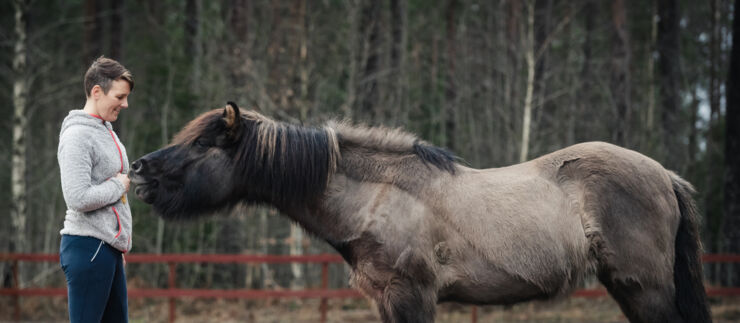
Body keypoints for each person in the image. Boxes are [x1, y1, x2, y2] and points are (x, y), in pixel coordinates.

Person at [57, 56, 133, 323]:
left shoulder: (104, 130)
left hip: (106, 249)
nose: (125, 104)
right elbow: (77, 197)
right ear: (97, 92)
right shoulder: (78, 136)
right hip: (88, 247)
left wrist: (116, 246)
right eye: (120, 96)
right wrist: (118, 184)